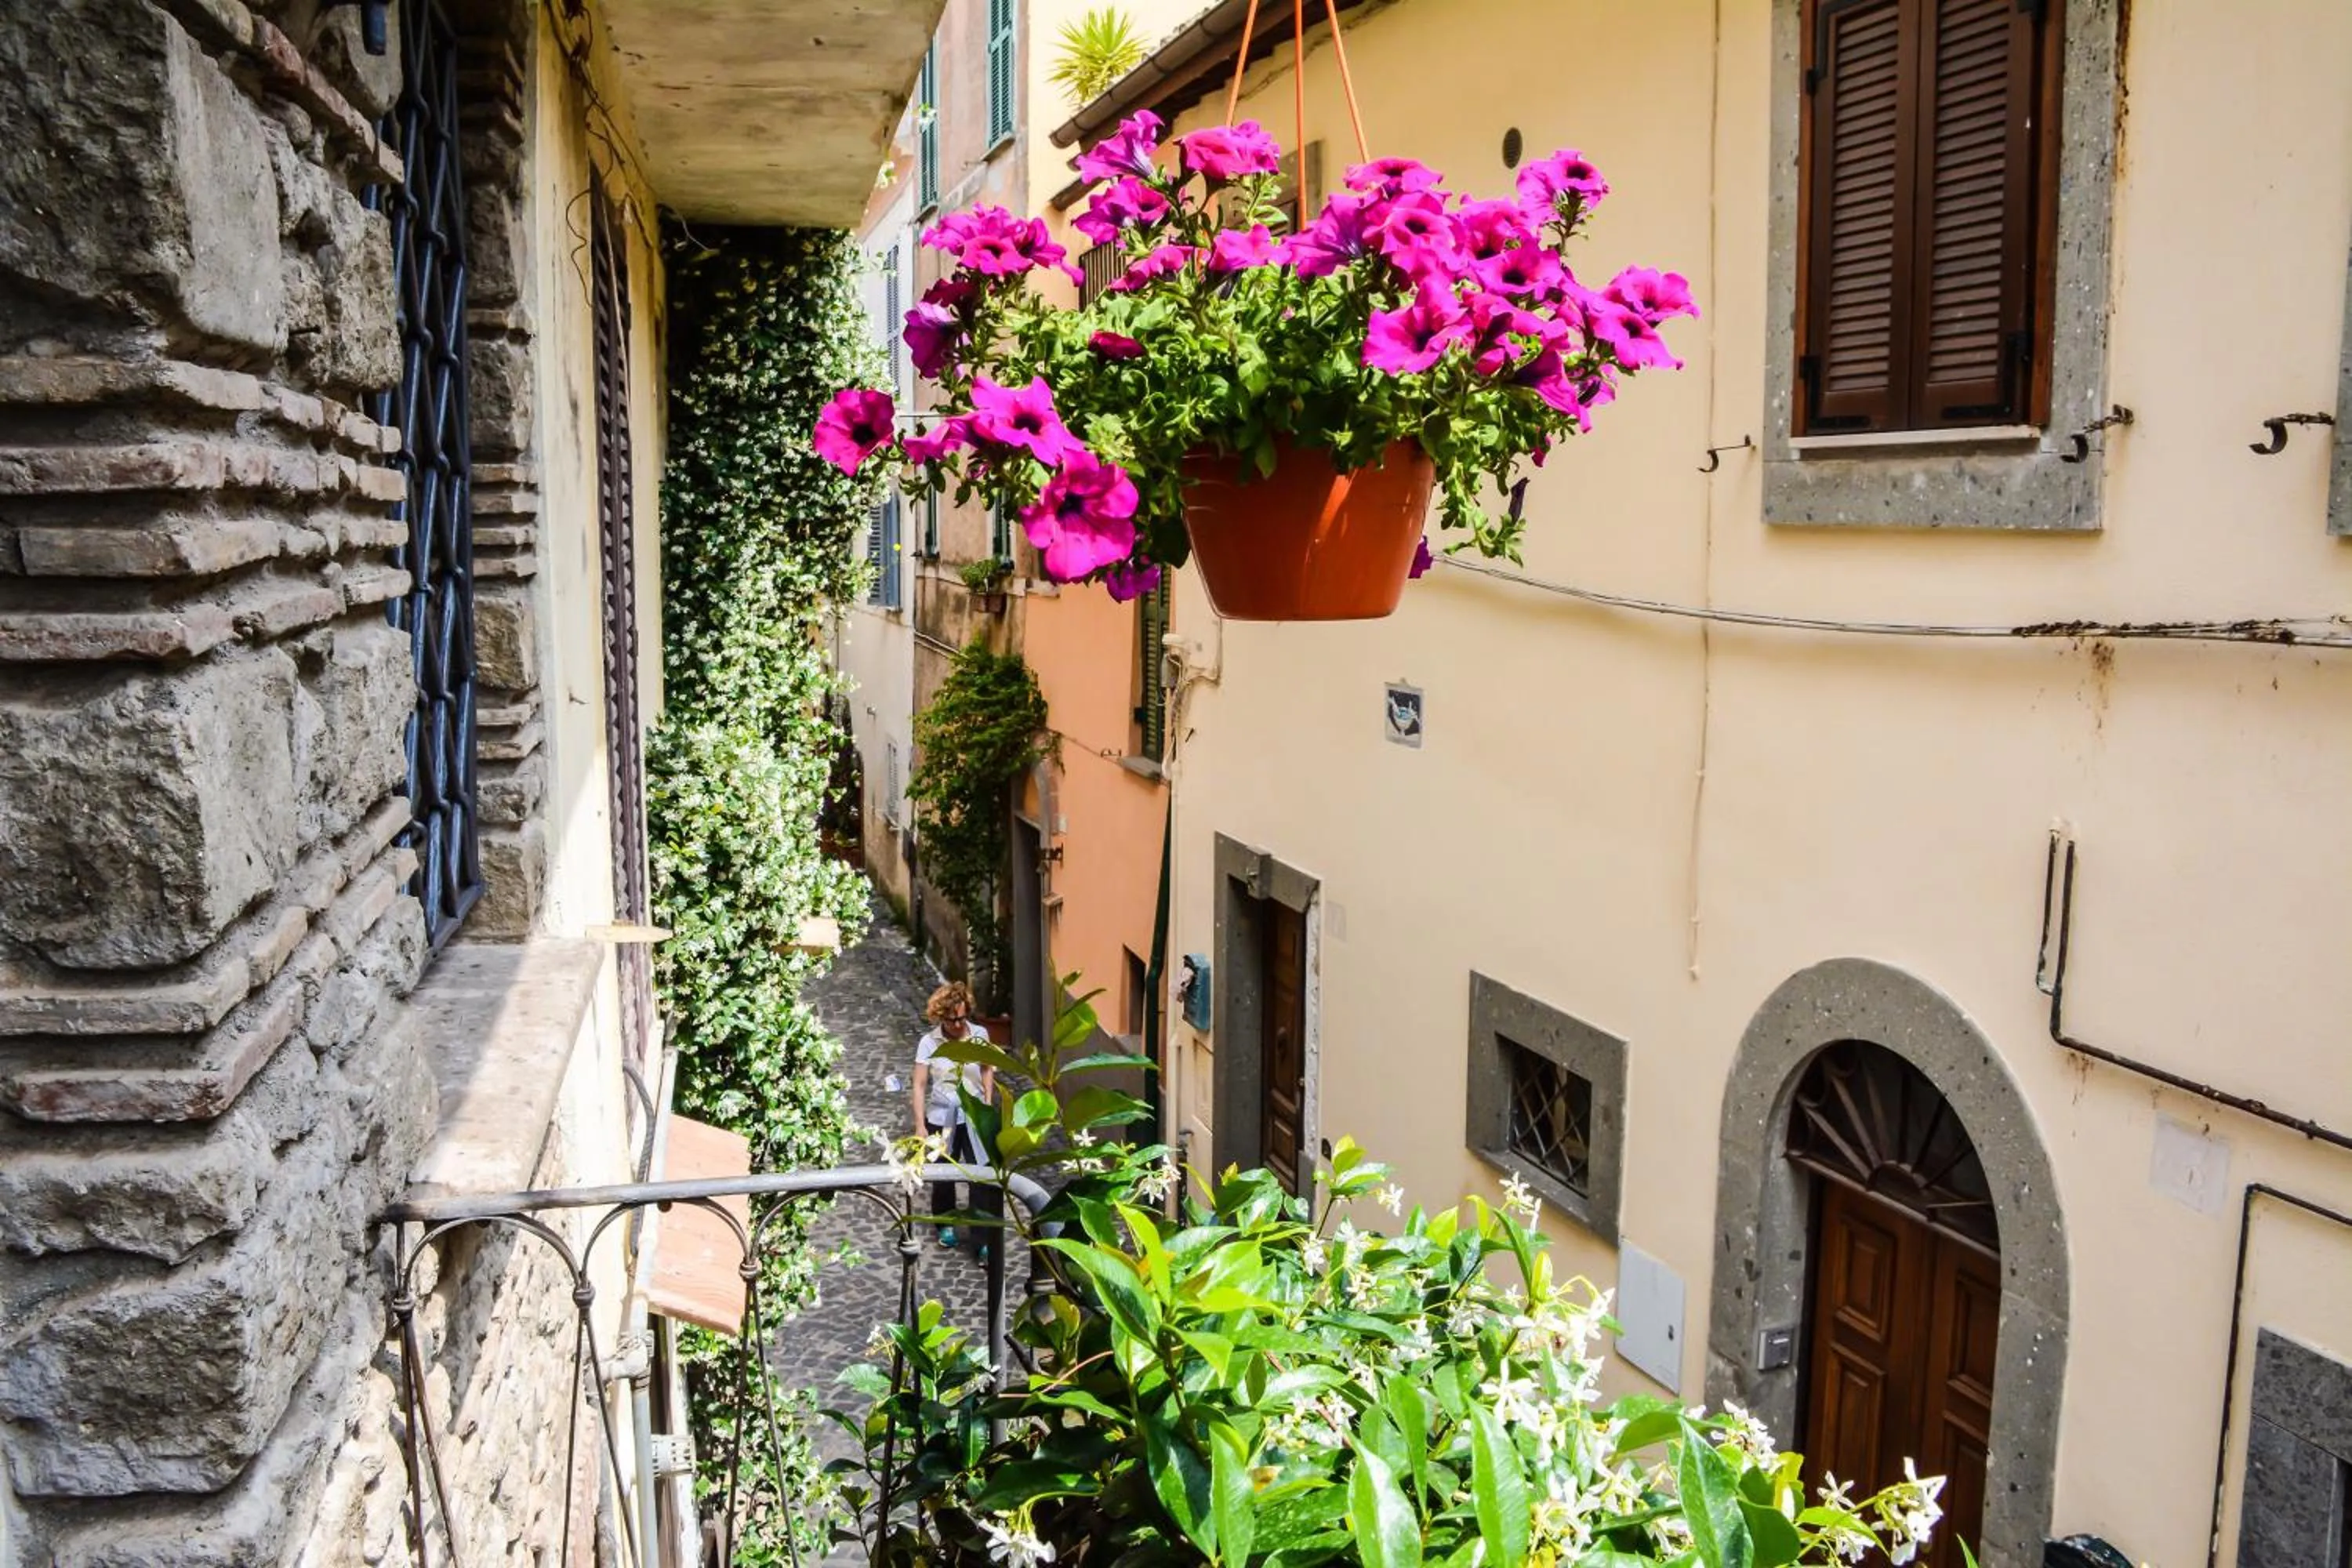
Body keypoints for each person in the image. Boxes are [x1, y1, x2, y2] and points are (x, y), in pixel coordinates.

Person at [909, 982, 999, 1251]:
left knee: (980, 1175)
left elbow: (987, 1070)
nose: (958, 1025)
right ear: (940, 1018)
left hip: (973, 1116)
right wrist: (919, 1124)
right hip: (940, 1115)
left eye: (962, 1018)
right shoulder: (929, 1042)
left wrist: (987, 1104)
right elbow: (919, 1084)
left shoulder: (979, 1034)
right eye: (952, 1020)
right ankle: (945, 1223)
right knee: (943, 1175)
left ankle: (982, 1237)